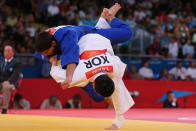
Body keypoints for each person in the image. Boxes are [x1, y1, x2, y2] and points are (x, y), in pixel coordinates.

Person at [49, 5, 134, 130]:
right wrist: (53, 63)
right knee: (56, 55)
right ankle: (105, 18)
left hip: (97, 35)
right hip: (82, 36)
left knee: (127, 33)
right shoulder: (80, 75)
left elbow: (116, 76)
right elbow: (56, 74)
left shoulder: (115, 68)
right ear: (94, 86)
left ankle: (108, 18)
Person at [35, 3, 133, 89]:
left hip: (90, 35)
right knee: (62, 61)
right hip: (79, 43)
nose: (46, 53)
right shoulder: (44, 41)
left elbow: (71, 56)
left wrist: (69, 78)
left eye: (47, 52)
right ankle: (102, 20)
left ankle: (110, 17)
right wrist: (50, 59)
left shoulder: (67, 36)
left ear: (53, 43)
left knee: (127, 33)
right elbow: (41, 54)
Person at [0, 45, 22, 114]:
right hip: (1, 83)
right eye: (5, 51)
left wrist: (8, 81)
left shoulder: (16, 62)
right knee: (3, 86)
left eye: (9, 51)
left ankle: (4, 109)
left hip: (12, 84)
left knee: (6, 87)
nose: (7, 52)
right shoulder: (1, 61)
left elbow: (16, 74)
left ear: (13, 53)